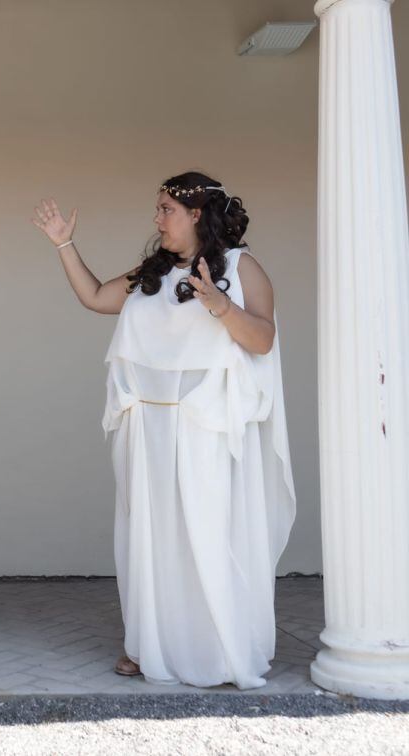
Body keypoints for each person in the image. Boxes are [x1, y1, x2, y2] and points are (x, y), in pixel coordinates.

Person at [32, 171, 295, 688]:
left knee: (205, 533)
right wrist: (64, 243)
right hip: (146, 425)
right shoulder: (152, 272)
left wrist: (220, 305)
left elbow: (262, 339)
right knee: (148, 539)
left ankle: (214, 649)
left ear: (196, 214)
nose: (157, 218)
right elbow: (95, 297)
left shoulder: (243, 268)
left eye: (165, 209)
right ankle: (149, 645)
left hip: (205, 428)